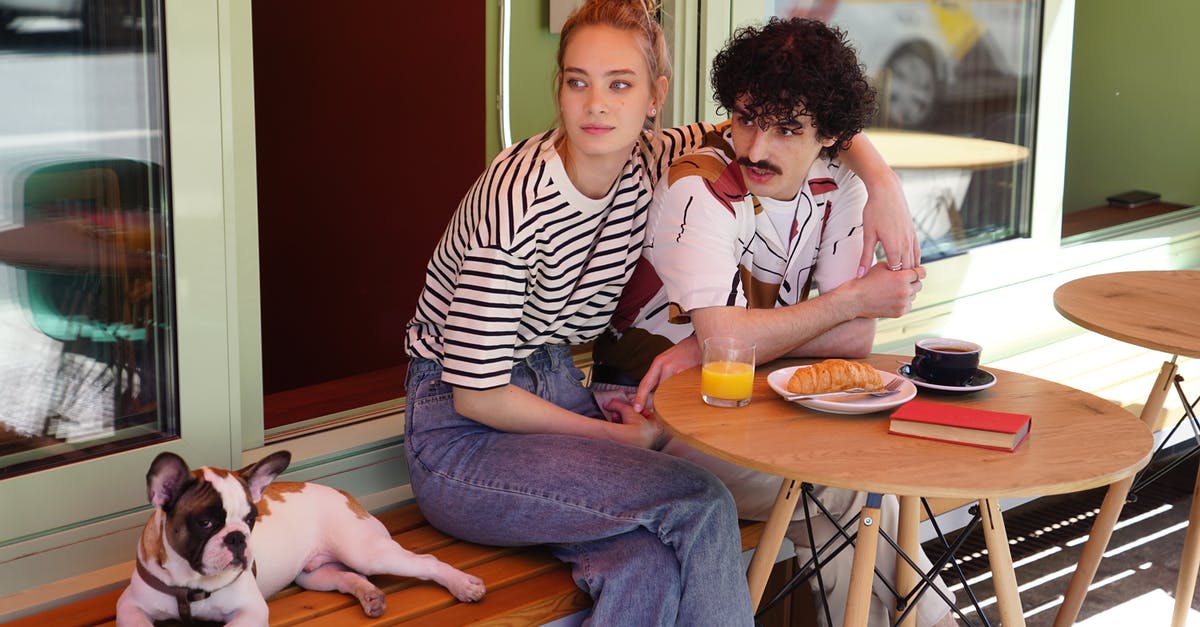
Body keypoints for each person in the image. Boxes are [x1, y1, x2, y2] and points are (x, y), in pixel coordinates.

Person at [590, 17, 956, 627]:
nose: (757, 147)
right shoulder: (699, 186)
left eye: (787, 129)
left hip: (756, 402)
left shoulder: (842, 184)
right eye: (747, 118)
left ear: (832, 134)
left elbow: (856, 342)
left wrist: (742, 338)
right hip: (653, 417)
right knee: (845, 489)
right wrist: (849, 299)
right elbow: (803, 328)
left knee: (869, 480)